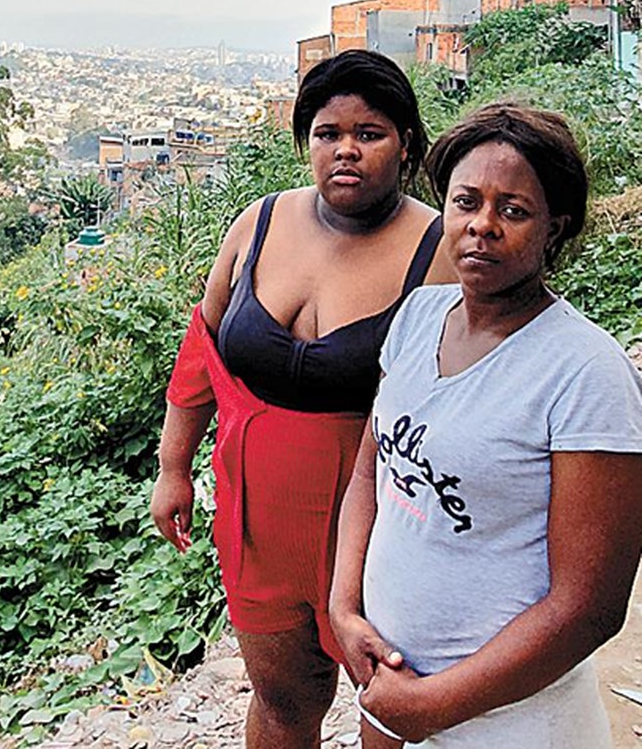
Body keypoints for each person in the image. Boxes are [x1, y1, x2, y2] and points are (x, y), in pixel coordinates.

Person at [150, 49, 455, 748]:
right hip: (260, 516)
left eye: (369, 133)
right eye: (328, 132)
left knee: (391, 710)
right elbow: (204, 345)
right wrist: (174, 465)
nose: (346, 149)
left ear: (405, 144)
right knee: (285, 700)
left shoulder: (438, 248)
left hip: (381, 524)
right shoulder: (259, 223)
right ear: (306, 143)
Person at [330, 102, 642, 749]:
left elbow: (589, 607)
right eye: (466, 202)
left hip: (513, 726)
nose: (482, 226)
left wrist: (430, 705)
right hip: (389, 694)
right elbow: (372, 470)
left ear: (554, 229)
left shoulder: (585, 373)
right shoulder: (419, 316)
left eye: (513, 210)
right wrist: (344, 608)